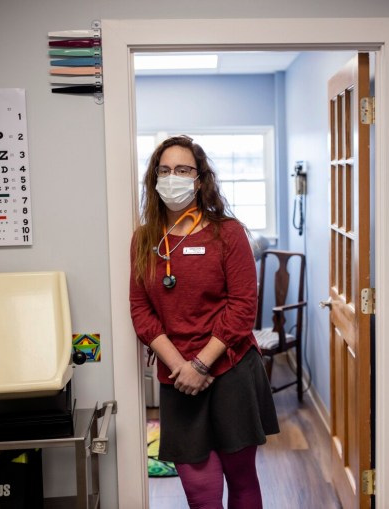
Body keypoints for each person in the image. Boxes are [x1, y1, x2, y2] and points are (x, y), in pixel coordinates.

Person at [129, 135, 279, 509]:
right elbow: (140, 311)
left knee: (241, 480)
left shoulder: (227, 233)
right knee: (200, 492)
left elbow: (243, 307)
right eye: (164, 170)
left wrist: (201, 363)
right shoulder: (144, 239)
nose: (172, 177)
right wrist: (181, 367)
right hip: (178, 380)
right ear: (153, 178)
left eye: (182, 169)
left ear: (199, 179)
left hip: (231, 370)